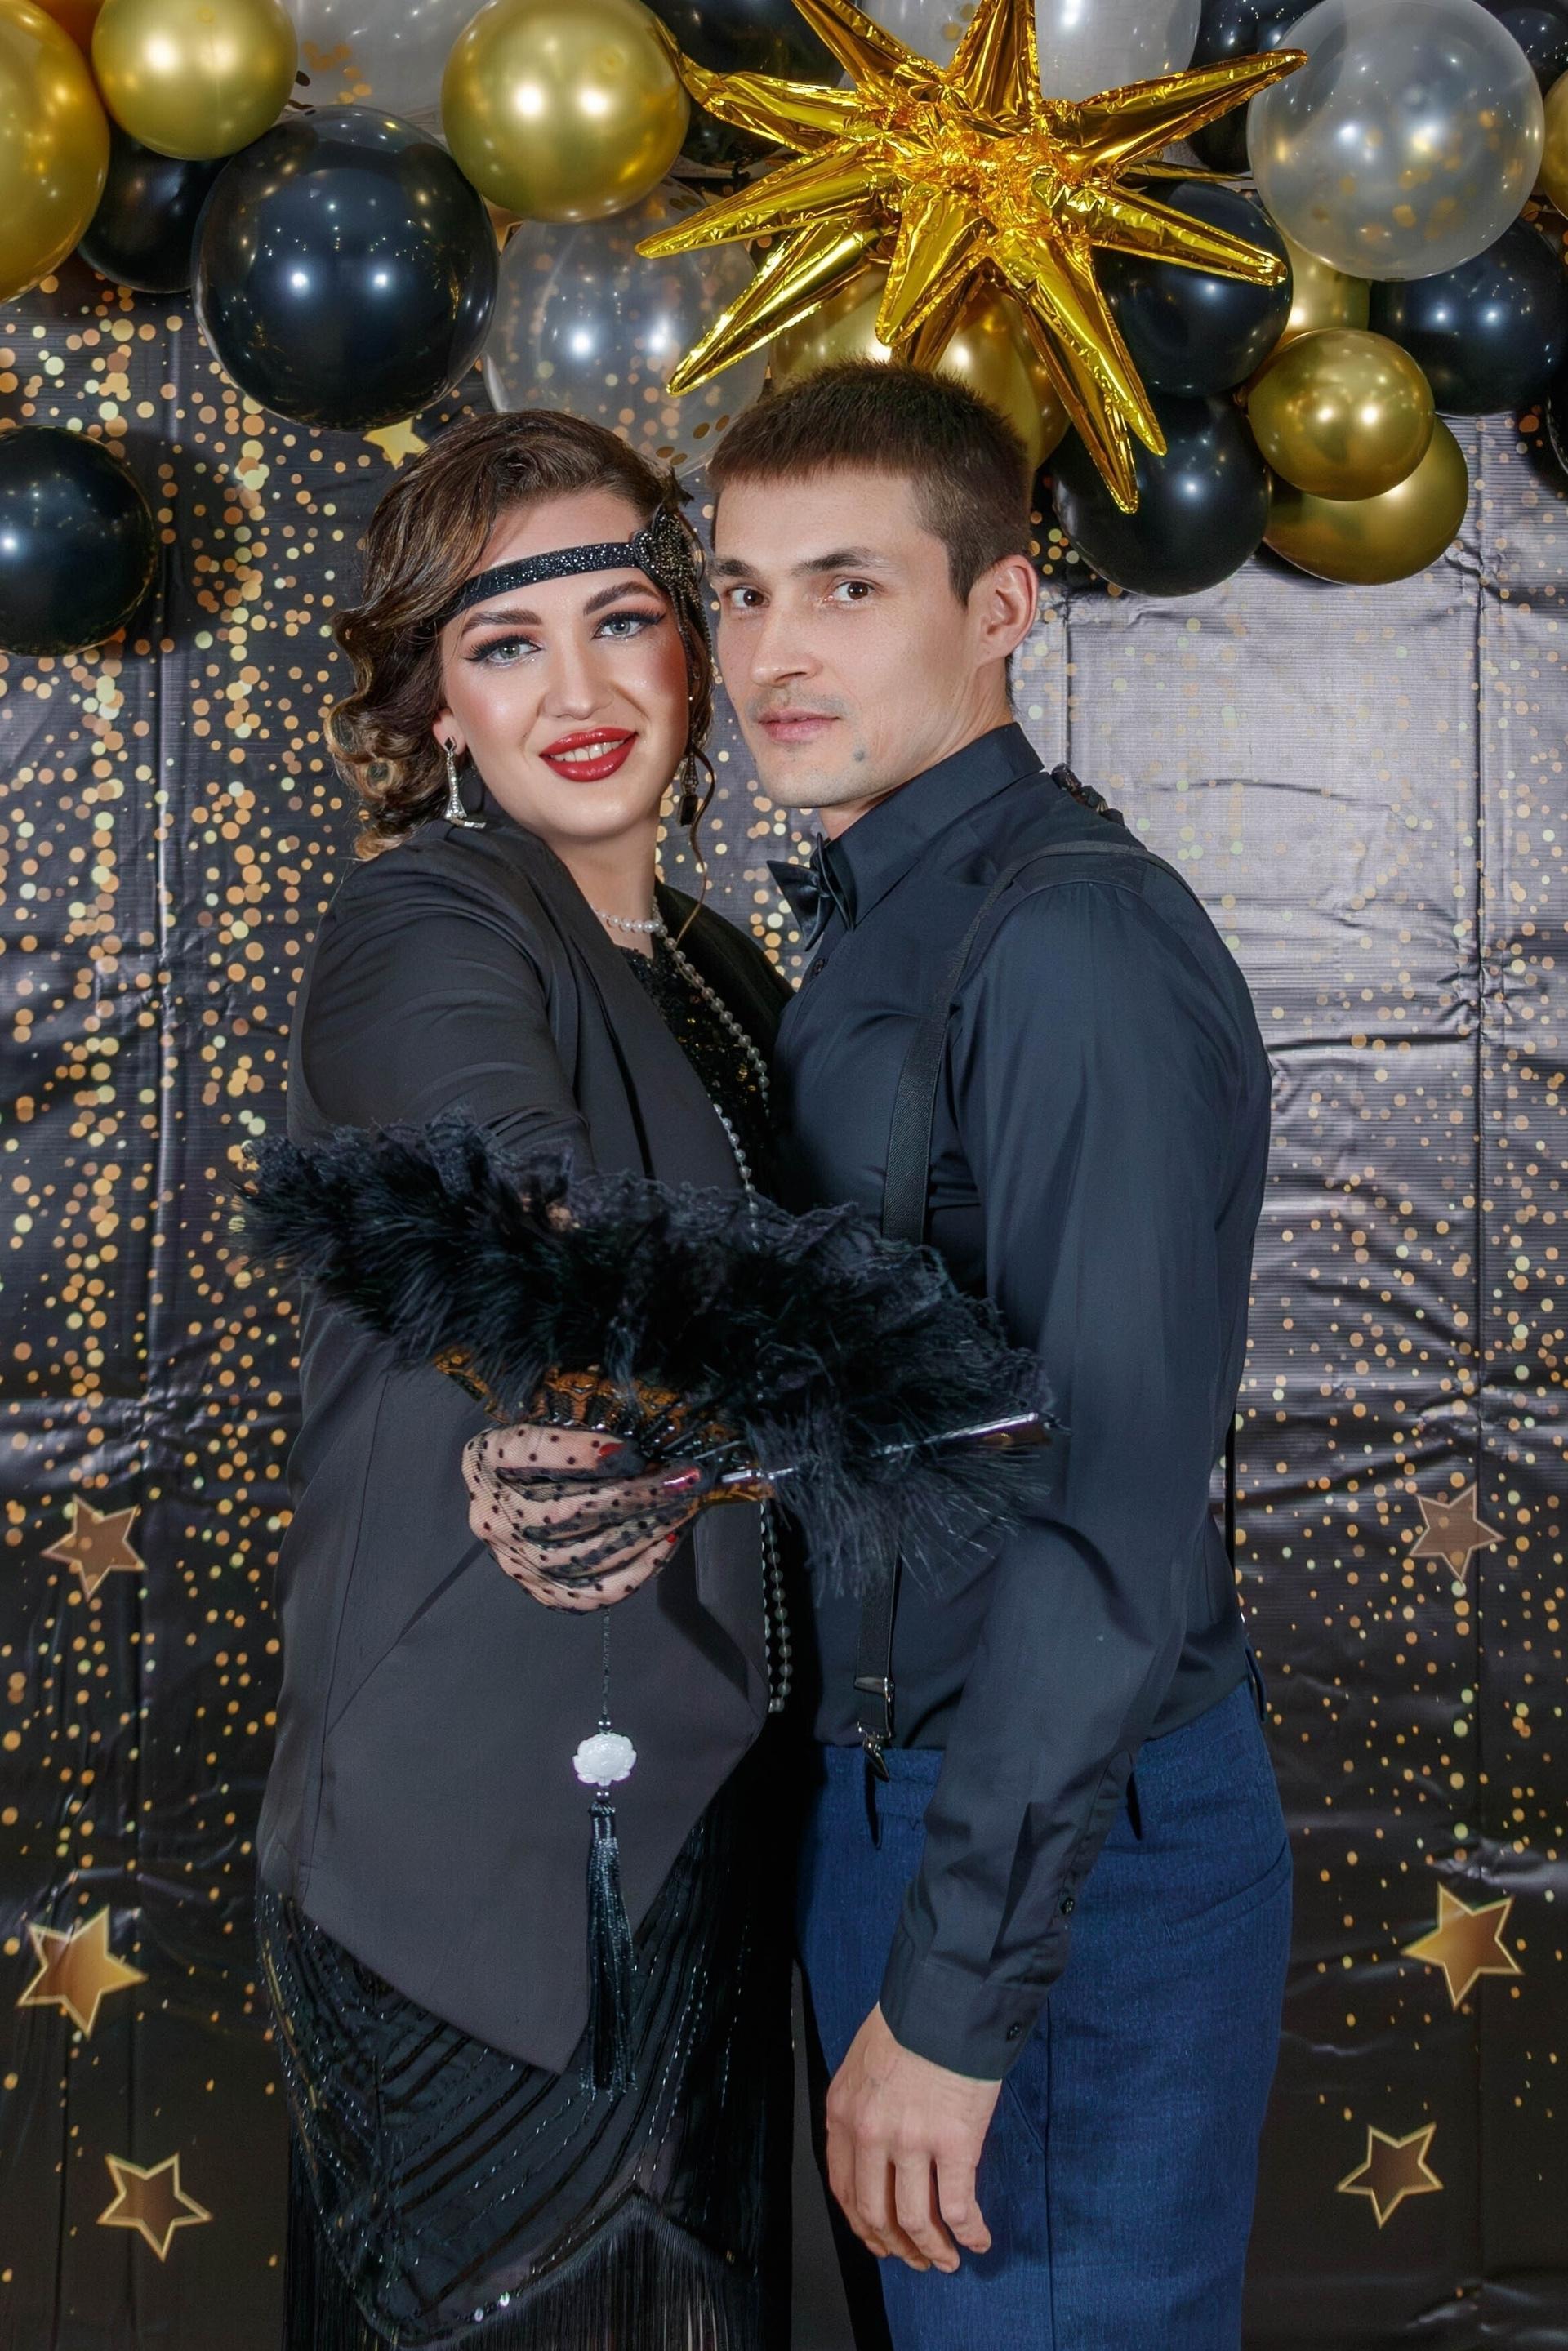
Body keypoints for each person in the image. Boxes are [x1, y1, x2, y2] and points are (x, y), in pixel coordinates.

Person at [705, 363, 1294, 2348]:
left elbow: (1106, 1506)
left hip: (1056, 1851)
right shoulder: (884, 918)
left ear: (1003, 607)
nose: (774, 653)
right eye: (743, 590)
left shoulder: (1066, 945)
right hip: (906, 1813)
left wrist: (957, 2001)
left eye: (847, 586)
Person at [255, 409, 797, 2350]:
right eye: (506, 645)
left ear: (694, 650)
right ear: (437, 711)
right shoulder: (425, 918)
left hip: (709, 1805)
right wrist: (563, 1384)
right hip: (483, 1869)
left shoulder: (723, 970)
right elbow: (513, 1191)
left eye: (621, 620)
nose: (578, 692)